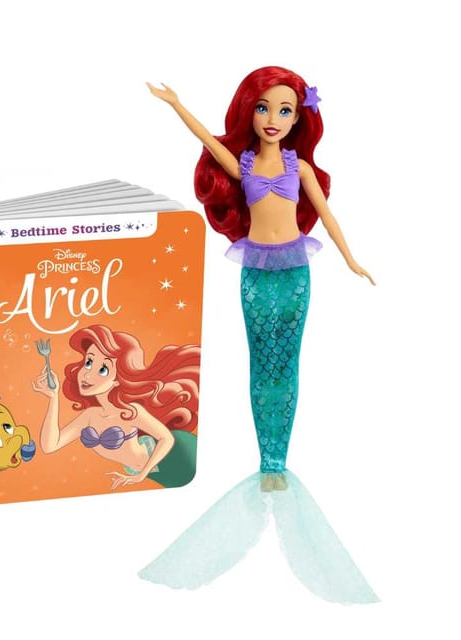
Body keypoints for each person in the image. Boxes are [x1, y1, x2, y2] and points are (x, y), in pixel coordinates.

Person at [140, 67, 377, 603]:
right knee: (259, 363)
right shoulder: (244, 163)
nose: (273, 118)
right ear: (251, 111)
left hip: (295, 275)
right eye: (264, 108)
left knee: (287, 363)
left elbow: (327, 216)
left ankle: (277, 461)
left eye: (285, 110)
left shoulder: (299, 166)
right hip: (254, 274)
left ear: (298, 118)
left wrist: (352, 259)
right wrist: (176, 103)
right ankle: (267, 459)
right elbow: (208, 140)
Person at [32, 324, 199, 489]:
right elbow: (50, 446)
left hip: (174, 459)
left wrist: (140, 476)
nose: (88, 374)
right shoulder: (90, 416)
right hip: (149, 475)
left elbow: (167, 439)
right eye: (89, 362)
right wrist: (53, 398)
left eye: (103, 370)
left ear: (118, 379)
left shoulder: (130, 411)